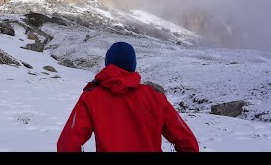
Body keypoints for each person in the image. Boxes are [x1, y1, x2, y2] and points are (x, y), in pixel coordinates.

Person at [57, 41, 199, 152]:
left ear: (108, 64)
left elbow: (67, 145)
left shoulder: (91, 97)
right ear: (133, 65)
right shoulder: (155, 98)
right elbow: (188, 143)